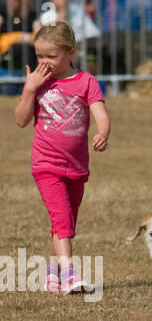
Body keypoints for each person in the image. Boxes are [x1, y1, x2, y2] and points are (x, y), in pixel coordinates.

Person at [13, 21, 109, 293]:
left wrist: (103, 132)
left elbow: (101, 113)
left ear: (71, 53)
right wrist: (30, 88)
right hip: (46, 165)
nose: (45, 62)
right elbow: (21, 120)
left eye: (52, 56)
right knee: (62, 219)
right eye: (40, 56)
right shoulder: (37, 83)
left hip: (76, 167)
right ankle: (69, 274)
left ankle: (51, 273)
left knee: (64, 222)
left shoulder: (86, 81)